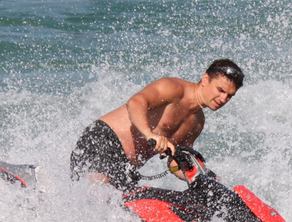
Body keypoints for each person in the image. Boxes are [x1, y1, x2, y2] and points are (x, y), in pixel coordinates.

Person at [70, 59, 244, 191]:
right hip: (102, 142)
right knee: (99, 197)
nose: (223, 99)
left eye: (229, 96)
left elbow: (174, 163)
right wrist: (149, 134)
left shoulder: (197, 123)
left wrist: (199, 175)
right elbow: (136, 102)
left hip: (127, 168)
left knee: (125, 220)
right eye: (220, 90)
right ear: (205, 79)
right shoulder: (174, 88)